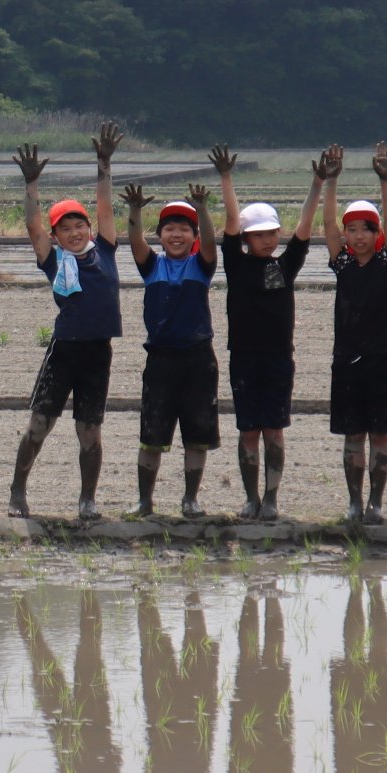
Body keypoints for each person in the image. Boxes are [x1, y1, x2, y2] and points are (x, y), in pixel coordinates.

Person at [214, 144, 335, 522]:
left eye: (271, 233)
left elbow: (304, 225)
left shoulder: (286, 266)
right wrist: (226, 178)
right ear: (247, 239)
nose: (267, 239)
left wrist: (318, 183)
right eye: (259, 234)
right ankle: (250, 498)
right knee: (248, 429)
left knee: (274, 430)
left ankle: (271, 498)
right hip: (245, 358)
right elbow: (231, 224)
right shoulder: (236, 263)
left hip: (279, 359)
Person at [10, 122, 122, 521]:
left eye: (79, 225)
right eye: (65, 229)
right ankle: (18, 491)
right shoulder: (54, 259)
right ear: (56, 236)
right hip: (64, 351)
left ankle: (87, 500)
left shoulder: (105, 250)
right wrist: (31, 187)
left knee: (89, 430)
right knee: (40, 424)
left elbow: (106, 205)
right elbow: (31, 225)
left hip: (98, 352)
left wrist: (103, 163)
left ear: (89, 228)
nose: (74, 233)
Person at [122, 176, 217, 519]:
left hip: (198, 360)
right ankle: (145, 501)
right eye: (169, 229)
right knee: (152, 434)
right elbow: (134, 239)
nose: (177, 234)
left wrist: (203, 210)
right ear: (160, 236)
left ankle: (190, 500)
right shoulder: (152, 266)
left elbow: (211, 242)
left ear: (193, 237)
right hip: (160, 361)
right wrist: (134, 211)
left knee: (197, 434)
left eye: (184, 229)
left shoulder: (201, 266)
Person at [322, 143, 387, 524]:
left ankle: (377, 503)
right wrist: (331, 182)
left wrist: (385, 181)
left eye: (364, 230)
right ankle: (354, 501)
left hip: (381, 355)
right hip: (347, 358)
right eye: (350, 229)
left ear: (376, 234)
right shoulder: (342, 264)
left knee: (380, 433)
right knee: (352, 435)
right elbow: (326, 225)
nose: (357, 237)